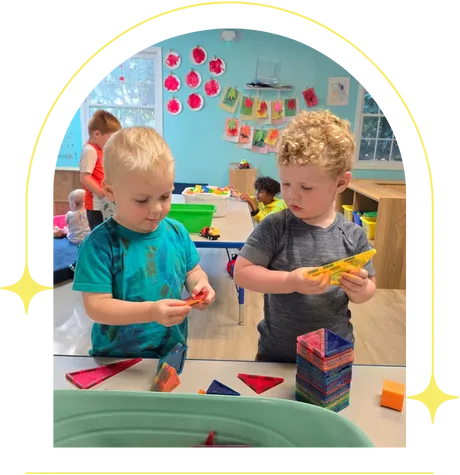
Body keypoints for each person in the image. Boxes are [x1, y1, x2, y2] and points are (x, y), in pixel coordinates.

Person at [233, 109, 376, 363]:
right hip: (278, 355)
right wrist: (290, 281)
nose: (291, 196)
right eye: (286, 184)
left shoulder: (354, 235)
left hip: (332, 356)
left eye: (306, 187)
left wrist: (361, 289)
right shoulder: (275, 226)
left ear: (341, 183)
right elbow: (242, 273)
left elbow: (368, 291)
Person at [72, 127, 216, 358]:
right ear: (110, 191)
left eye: (165, 196)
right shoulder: (99, 245)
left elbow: (193, 271)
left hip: (170, 350)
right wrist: (150, 311)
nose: (157, 209)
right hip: (116, 358)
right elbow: (96, 307)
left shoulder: (177, 232)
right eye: (141, 200)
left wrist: (200, 285)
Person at [79, 109, 122, 231]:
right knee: (100, 235)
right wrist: (103, 194)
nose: (112, 143)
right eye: (111, 138)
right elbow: (85, 178)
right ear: (97, 134)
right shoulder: (90, 150)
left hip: (104, 202)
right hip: (96, 205)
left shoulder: (99, 150)